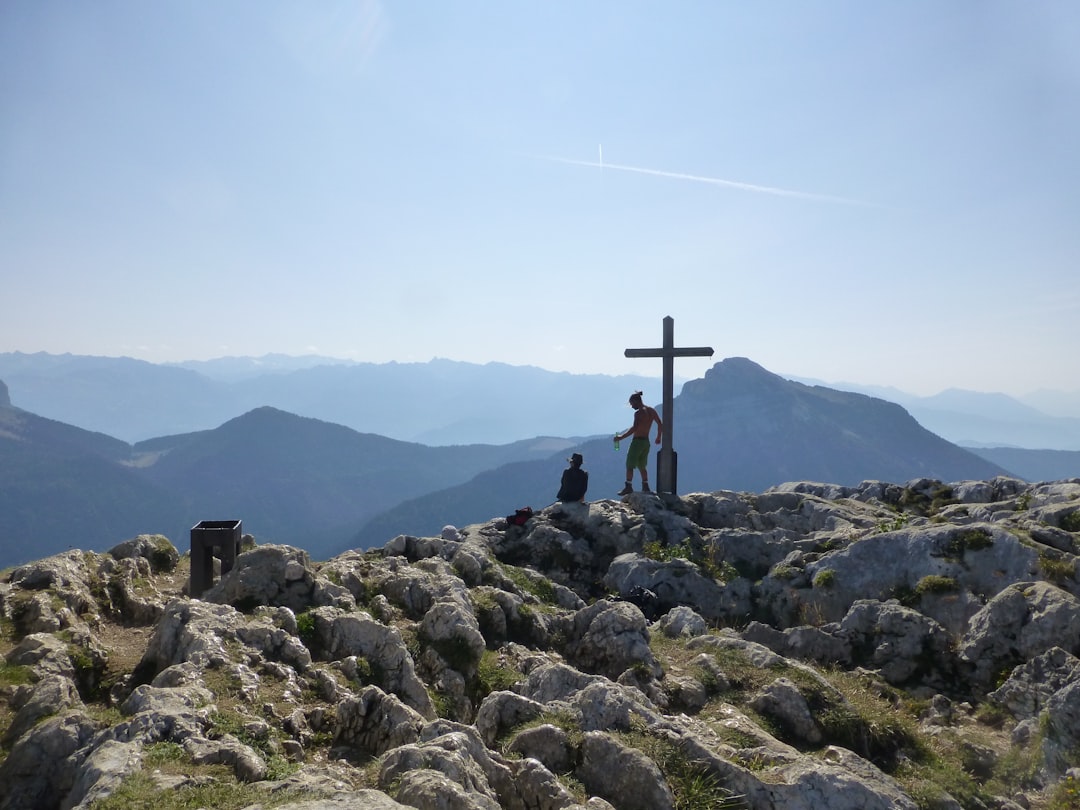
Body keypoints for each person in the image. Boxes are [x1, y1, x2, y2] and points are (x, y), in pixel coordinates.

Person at [616, 391, 662, 495]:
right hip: (646, 442)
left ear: (637, 401)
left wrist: (621, 437)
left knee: (630, 465)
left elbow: (635, 428)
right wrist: (659, 437)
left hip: (637, 442)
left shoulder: (638, 413)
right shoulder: (651, 411)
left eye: (632, 404)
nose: (632, 407)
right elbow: (659, 423)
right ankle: (645, 487)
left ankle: (628, 486)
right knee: (642, 465)